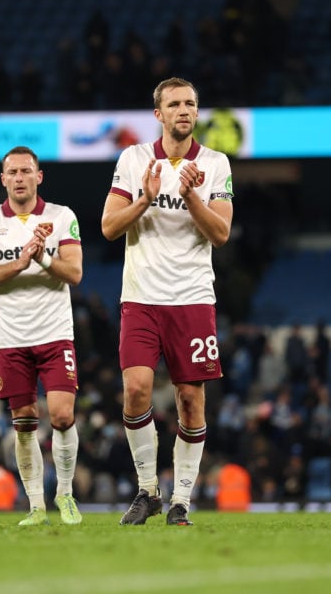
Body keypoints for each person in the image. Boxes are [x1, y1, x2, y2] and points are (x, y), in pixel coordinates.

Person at [100, 77, 234, 525]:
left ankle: (181, 501)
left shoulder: (215, 163)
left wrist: (192, 195)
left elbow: (220, 233)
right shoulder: (133, 158)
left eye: (191, 104)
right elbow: (108, 226)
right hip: (140, 297)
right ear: (157, 114)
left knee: (190, 400)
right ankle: (147, 490)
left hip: (193, 299)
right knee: (136, 390)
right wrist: (146, 199)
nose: (184, 111)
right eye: (174, 104)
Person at [0, 145, 84, 526]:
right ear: (3, 179)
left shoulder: (61, 216)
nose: (19, 178)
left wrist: (44, 259)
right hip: (11, 338)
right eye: (12, 173)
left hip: (54, 333)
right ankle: (36, 505)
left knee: (63, 416)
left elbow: (75, 272)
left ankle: (65, 494)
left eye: (25, 171)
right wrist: (21, 262)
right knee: (23, 421)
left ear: (39, 177)